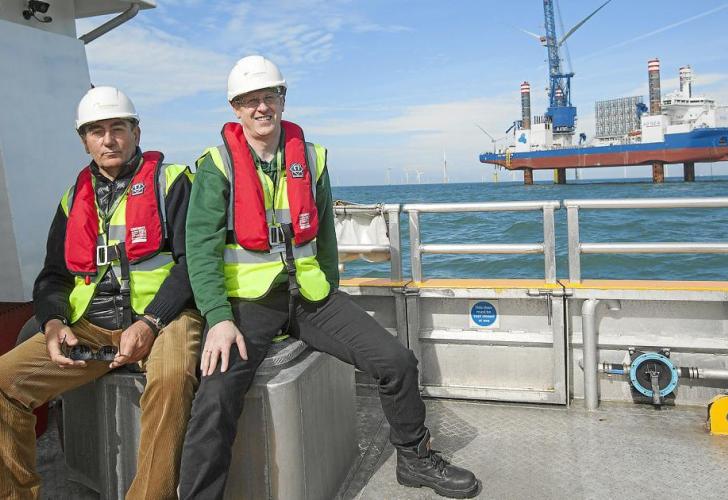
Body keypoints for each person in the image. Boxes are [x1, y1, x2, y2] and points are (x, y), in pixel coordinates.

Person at [179, 55, 479, 499]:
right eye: (249, 100)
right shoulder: (215, 165)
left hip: (310, 297)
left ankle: (414, 459)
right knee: (215, 397)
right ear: (235, 108)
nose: (261, 107)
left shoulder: (312, 158)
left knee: (396, 361)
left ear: (282, 99)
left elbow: (325, 240)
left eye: (269, 96)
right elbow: (200, 250)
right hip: (246, 304)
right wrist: (218, 318)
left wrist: (331, 295)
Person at [0, 86, 202, 499]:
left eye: (117, 128)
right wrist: (53, 322)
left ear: (136, 132)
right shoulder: (72, 199)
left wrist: (151, 322)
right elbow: (53, 277)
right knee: (3, 383)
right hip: (91, 327)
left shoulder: (173, 182)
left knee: (171, 377)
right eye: (97, 131)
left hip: (166, 319)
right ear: (84, 141)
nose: (108, 140)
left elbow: (193, 263)